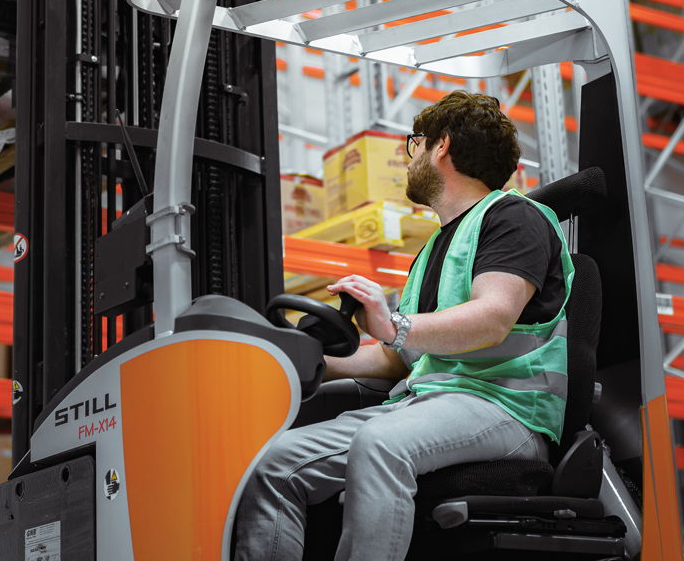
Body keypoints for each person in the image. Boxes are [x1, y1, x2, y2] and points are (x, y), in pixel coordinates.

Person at [235, 91, 574, 561]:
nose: (408, 157)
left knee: (381, 444)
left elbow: (493, 319)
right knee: (275, 463)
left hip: (505, 407)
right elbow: (399, 359)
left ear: (441, 145)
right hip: (426, 402)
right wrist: (297, 361)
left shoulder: (515, 218)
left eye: (415, 144)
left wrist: (393, 323)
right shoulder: (433, 249)